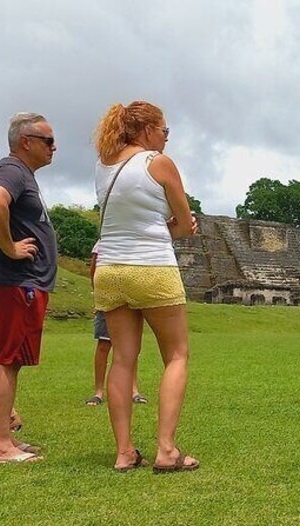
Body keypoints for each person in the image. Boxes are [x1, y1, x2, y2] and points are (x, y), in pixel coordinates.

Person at [93, 101, 198, 473]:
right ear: (147, 129)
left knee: (123, 358)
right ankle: (166, 449)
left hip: (108, 269)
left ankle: (124, 452)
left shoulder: (103, 166)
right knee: (176, 355)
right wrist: (175, 226)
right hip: (151, 266)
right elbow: (184, 225)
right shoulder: (158, 163)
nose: (167, 138)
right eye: (165, 130)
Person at [0, 112, 58, 463]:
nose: (54, 147)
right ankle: (0, 445)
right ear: (25, 142)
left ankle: (3, 438)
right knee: (8, 360)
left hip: (12, 283)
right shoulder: (12, 170)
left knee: (0, 358)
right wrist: (10, 247)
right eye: (48, 141)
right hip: (16, 282)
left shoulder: (19, 173)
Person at [86, 241, 147, 406]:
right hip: (108, 299)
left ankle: (133, 389)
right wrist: (99, 295)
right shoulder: (104, 242)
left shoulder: (137, 240)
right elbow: (94, 269)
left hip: (132, 299)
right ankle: (98, 391)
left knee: (131, 348)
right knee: (104, 344)